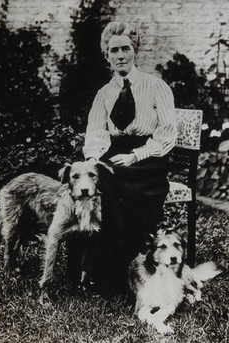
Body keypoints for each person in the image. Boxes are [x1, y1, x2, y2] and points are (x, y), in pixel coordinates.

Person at [82, 21, 177, 293]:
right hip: (113, 155)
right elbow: (96, 133)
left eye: (125, 48)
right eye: (114, 50)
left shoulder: (156, 87)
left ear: (135, 51)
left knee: (116, 185)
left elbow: (167, 134)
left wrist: (136, 156)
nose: (120, 55)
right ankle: (108, 275)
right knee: (103, 181)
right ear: (107, 55)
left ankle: (127, 273)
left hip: (148, 160)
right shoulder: (104, 94)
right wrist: (92, 159)